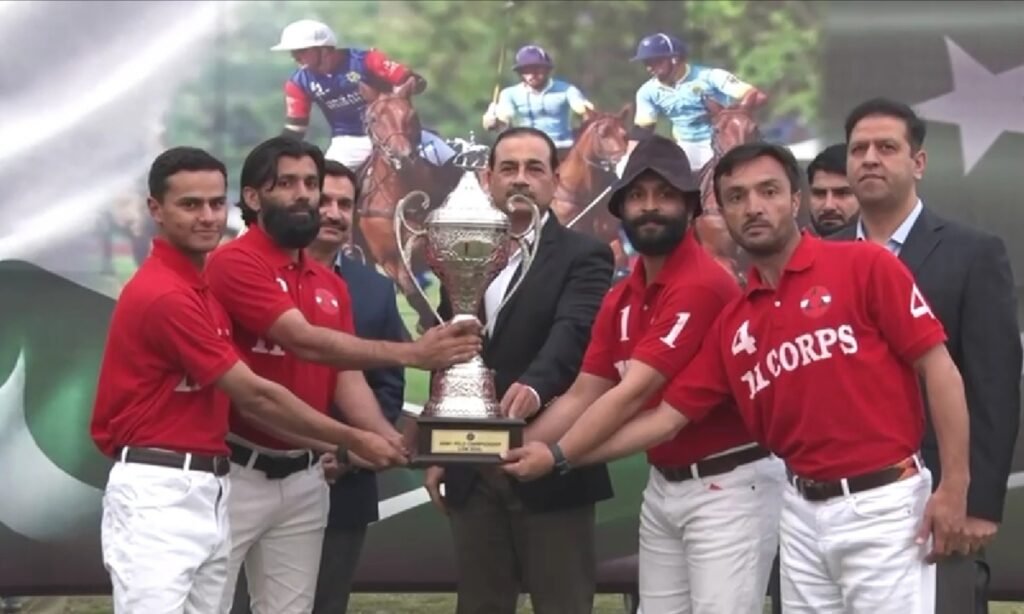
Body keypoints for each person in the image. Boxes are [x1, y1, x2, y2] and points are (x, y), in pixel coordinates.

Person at [503, 141, 972, 613]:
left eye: (768, 191)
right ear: (722, 213)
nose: (753, 207)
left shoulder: (864, 265)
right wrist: (531, 451)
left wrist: (955, 485)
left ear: (795, 199)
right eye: (737, 197)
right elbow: (665, 418)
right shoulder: (735, 320)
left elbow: (939, 368)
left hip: (879, 499)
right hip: (800, 504)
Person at [90, 146, 407, 614]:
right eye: (190, 204)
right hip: (165, 483)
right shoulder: (171, 293)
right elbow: (257, 395)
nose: (207, 217)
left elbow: (333, 376)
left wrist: (373, 441)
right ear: (156, 209)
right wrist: (356, 432)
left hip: (214, 480)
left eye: (215, 204)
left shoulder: (202, 288)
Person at [501, 134, 785, 613]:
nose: (650, 206)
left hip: (729, 486)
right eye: (637, 195)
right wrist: (504, 446)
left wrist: (557, 456)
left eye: (665, 195)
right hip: (665, 486)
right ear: (621, 209)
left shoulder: (701, 284)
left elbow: (633, 395)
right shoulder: (622, 296)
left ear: (690, 208)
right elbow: (584, 393)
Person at [206, 137, 480, 614]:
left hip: (305, 476)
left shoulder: (331, 283)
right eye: (286, 183)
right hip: (237, 472)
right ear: (253, 197)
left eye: (310, 183)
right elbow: (304, 340)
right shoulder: (234, 261)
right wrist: (414, 353)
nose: (303, 195)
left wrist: (390, 443)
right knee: (208, 606)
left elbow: (345, 377)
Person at [829, 97, 1022, 614]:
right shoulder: (820, 256)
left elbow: (995, 387)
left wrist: (977, 502)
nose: (870, 158)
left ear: (918, 162)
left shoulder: (973, 253)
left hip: (936, 499)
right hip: (828, 503)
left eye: (886, 147)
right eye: (858, 149)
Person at [423, 126, 615, 614]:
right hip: (471, 471)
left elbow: (574, 333)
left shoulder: (584, 255)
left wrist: (535, 385)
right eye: (508, 168)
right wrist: (440, 444)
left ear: (554, 179)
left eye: (534, 168)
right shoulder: (462, 249)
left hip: (549, 464)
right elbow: (451, 350)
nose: (521, 179)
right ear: (488, 177)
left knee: (563, 606)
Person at [271, 19, 456, 170]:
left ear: (324, 49)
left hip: (398, 133)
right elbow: (296, 128)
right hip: (349, 142)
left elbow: (416, 81)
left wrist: (401, 92)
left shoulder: (366, 60)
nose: (295, 57)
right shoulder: (298, 83)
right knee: (325, 187)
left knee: (454, 162)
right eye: (293, 52)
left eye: (301, 51)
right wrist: (275, 152)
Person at [622, 32, 767, 172]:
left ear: (675, 59)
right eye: (646, 63)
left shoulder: (711, 76)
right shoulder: (647, 92)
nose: (649, 68)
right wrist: (628, 159)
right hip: (688, 146)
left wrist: (731, 114)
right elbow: (643, 130)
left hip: (726, 141)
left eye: (655, 61)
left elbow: (757, 96)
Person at [483, 45, 595, 157]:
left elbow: (584, 109)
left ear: (547, 70)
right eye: (527, 71)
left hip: (563, 148)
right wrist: (493, 121)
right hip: (526, 150)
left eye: (537, 69)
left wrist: (588, 115)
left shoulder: (567, 89)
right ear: (520, 73)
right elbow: (504, 118)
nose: (532, 75)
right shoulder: (509, 94)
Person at [806, 143, 858, 236]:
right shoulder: (793, 245)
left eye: (842, 193)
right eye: (819, 194)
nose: (828, 206)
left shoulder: (884, 244)